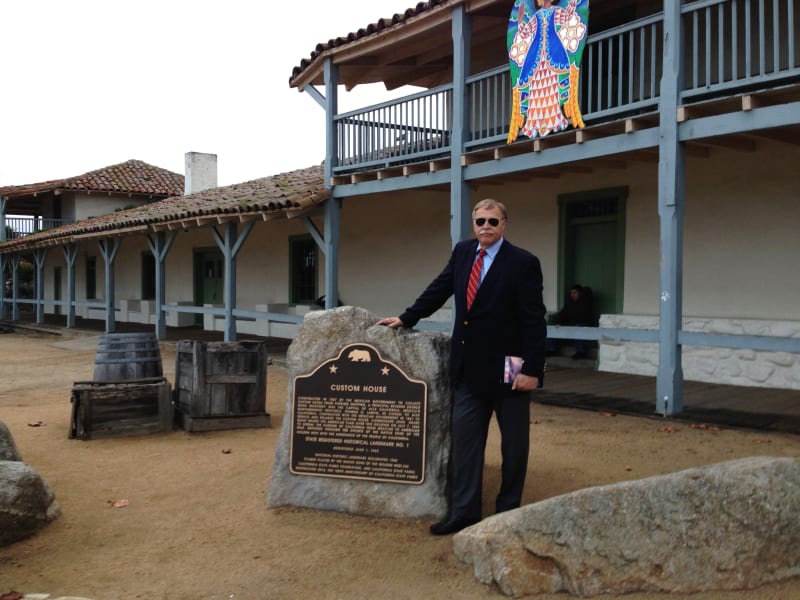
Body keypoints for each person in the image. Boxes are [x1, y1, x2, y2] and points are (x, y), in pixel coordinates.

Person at [377, 198, 547, 535]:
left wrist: (532, 369)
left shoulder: (523, 263)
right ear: (473, 223)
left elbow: (534, 321)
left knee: (513, 444)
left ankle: (507, 512)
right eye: (480, 221)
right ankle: (465, 512)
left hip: (511, 366)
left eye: (493, 221)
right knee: (466, 444)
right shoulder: (463, 253)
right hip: (468, 366)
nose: (486, 226)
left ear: (504, 225)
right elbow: (439, 289)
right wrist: (408, 317)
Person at [547, 284, 595, 359]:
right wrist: (558, 322)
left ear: (580, 293)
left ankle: (580, 352)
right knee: (554, 327)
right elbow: (563, 313)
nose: (572, 295)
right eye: (571, 293)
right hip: (570, 324)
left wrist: (571, 322)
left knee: (578, 328)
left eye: (575, 293)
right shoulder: (569, 303)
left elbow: (584, 317)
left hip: (582, 324)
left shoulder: (585, 303)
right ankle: (551, 349)